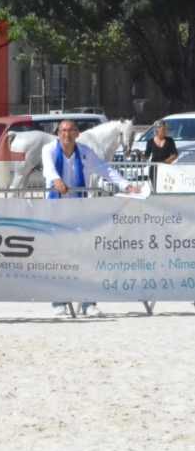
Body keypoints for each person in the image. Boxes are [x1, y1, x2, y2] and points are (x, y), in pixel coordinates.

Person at [45, 119, 139, 317]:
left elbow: (105, 170)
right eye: (63, 131)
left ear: (78, 134)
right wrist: (56, 180)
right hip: (56, 210)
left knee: (86, 256)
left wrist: (126, 185)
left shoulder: (85, 152)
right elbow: (48, 168)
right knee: (59, 258)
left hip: (80, 209)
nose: (66, 134)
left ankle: (88, 303)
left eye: (71, 130)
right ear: (58, 133)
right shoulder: (49, 149)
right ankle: (59, 303)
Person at [145, 120, 179, 192]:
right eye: (163, 129)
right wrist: (139, 155)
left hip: (166, 169)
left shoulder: (170, 140)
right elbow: (146, 156)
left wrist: (164, 163)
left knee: (165, 190)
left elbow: (175, 154)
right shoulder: (150, 141)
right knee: (154, 189)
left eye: (166, 129)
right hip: (154, 169)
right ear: (157, 130)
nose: (166, 131)